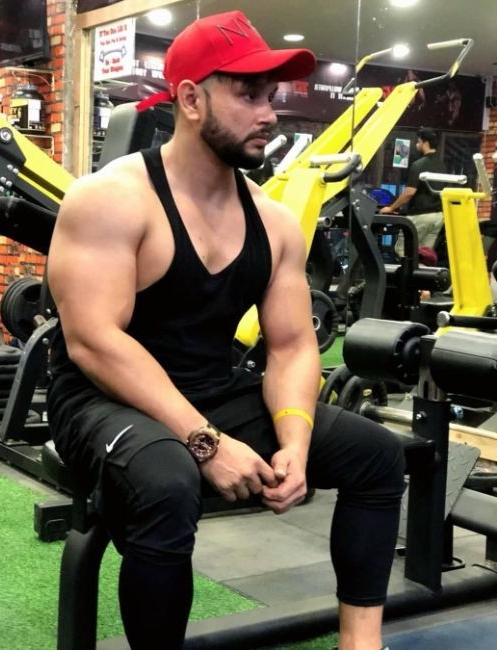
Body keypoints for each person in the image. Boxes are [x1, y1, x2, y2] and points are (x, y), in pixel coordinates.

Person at [47, 10, 405, 650]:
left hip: (211, 390)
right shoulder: (111, 199)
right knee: (167, 481)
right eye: (248, 95)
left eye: (271, 97)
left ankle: (361, 643)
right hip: (101, 398)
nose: (269, 114)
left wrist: (294, 440)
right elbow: (94, 340)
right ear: (190, 99)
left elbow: (292, 345)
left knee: (376, 455)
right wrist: (207, 444)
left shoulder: (274, 222)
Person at [380, 127, 447, 252]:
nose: (417, 144)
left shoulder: (419, 165)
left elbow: (409, 192)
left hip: (420, 216)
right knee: (425, 254)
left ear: (425, 143)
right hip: (438, 217)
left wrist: (391, 208)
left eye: (419, 141)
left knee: (403, 251)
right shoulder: (442, 166)